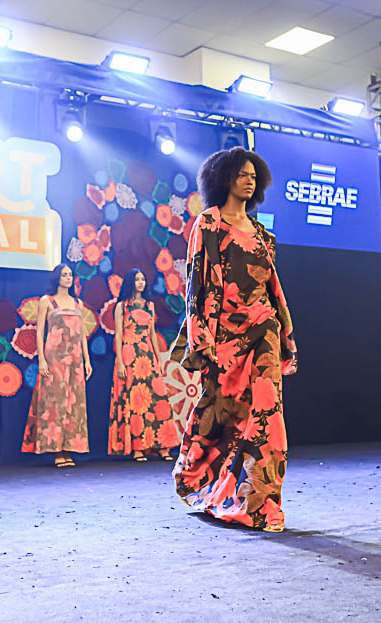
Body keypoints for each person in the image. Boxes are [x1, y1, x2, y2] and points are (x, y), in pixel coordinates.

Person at [170, 147, 298, 532]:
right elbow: (197, 284)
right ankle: (216, 489)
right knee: (225, 416)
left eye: (253, 176)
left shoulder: (262, 234)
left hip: (264, 331)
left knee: (268, 417)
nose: (249, 180)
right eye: (242, 174)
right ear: (224, 178)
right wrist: (201, 336)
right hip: (226, 336)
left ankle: (262, 504)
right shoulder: (208, 224)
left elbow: (272, 286)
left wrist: (282, 329)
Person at [22, 264, 92, 467]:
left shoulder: (78, 303)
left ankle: (69, 448)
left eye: (70, 275)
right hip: (55, 357)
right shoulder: (47, 301)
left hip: (75, 359)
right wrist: (41, 359)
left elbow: (82, 334)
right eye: (64, 275)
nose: (68, 278)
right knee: (54, 402)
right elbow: (39, 331)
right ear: (57, 278)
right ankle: (56, 450)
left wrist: (87, 360)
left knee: (74, 403)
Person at [108, 269, 178, 461]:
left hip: (147, 354)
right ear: (130, 282)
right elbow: (119, 335)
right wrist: (120, 362)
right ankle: (138, 447)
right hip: (130, 355)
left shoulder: (150, 306)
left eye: (143, 279)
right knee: (136, 399)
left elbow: (152, 333)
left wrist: (159, 358)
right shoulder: (122, 306)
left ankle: (162, 446)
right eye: (137, 279)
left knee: (157, 398)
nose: (141, 282)